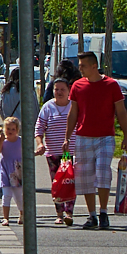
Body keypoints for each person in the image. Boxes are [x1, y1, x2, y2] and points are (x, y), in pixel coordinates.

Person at [68, 49, 127, 230]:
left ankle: (104, 212)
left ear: (94, 66)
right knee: (85, 177)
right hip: (83, 138)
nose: (80, 69)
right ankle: (92, 215)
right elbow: (73, 113)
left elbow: (121, 111)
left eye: (83, 66)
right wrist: (68, 137)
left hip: (105, 137)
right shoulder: (77, 86)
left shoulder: (111, 85)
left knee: (103, 173)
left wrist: (126, 136)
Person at [35, 76, 76, 225]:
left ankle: (69, 213)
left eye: (62, 89)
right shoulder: (47, 107)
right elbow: (39, 128)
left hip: (71, 153)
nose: (59, 92)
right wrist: (40, 144)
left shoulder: (74, 106)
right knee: (57, 183)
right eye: (56, 89)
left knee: (70, 183)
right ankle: (59, 213)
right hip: (53, 153)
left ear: (69, 90)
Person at [0, 116, 23, 225]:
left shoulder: (20, 141)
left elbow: (27, 152)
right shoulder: (3, 141)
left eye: (13, 129)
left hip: (17, 170)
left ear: (17, 130)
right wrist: (0, 141)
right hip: (5, 169)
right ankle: (5, 217)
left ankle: (22, 213)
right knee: (6, 194)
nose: (10, 131)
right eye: (8, 129)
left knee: (18, 195)